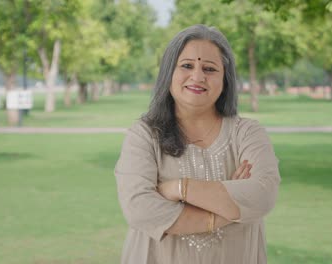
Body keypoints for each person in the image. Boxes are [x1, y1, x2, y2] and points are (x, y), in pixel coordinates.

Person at [114, 24, 281, 264]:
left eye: (210, 68)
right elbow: (140, 209)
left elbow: (262, 195)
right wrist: (227, 210)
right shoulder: (144, 135)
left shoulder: (247, 134)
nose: (198, 76)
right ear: (169, 73)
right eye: (187, 65)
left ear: (225, 79)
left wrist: (178, 189)